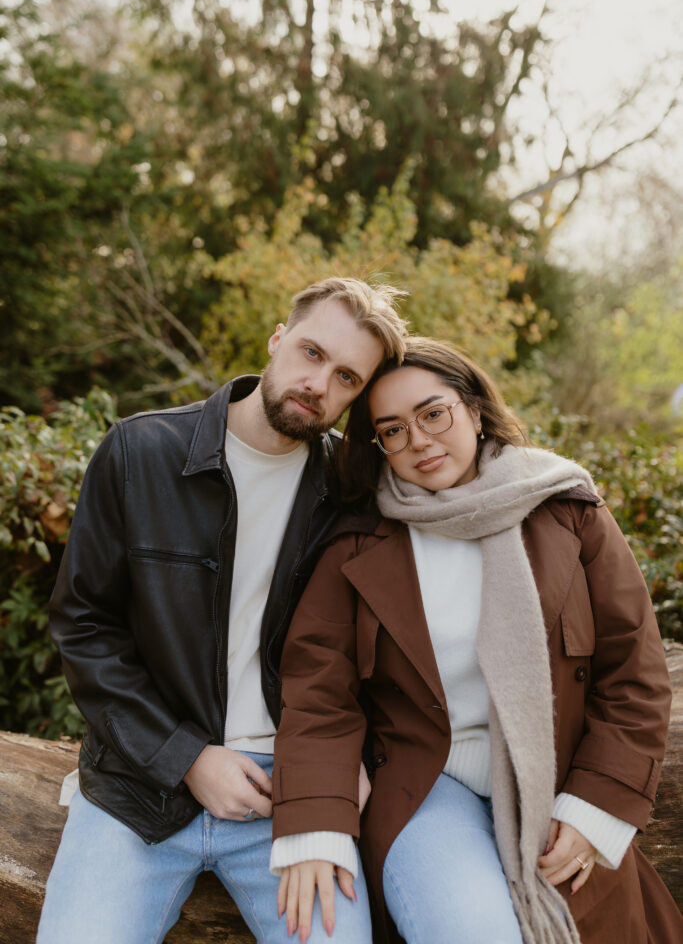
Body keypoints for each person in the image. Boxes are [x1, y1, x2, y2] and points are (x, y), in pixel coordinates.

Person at [272, 337, 682, 944]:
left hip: (558, 782)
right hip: (424, 786)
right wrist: (313, 822)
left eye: (433, 413)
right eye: (392, 430)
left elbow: (634, 673)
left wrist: (594, 810)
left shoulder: (568, 509)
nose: (419, 441)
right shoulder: (356, 542)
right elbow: (317, 692)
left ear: (474, 408)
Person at [37, 277, 408, 944]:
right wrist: (185, 757)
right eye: (311, 353)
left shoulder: (351, 494)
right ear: (276, 340)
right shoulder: (139, 453)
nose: (318, 383)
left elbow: (371, 653)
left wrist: (340, 771)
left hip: (293, 792)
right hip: (139, 785)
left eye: (347, 377)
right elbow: (85, 626)